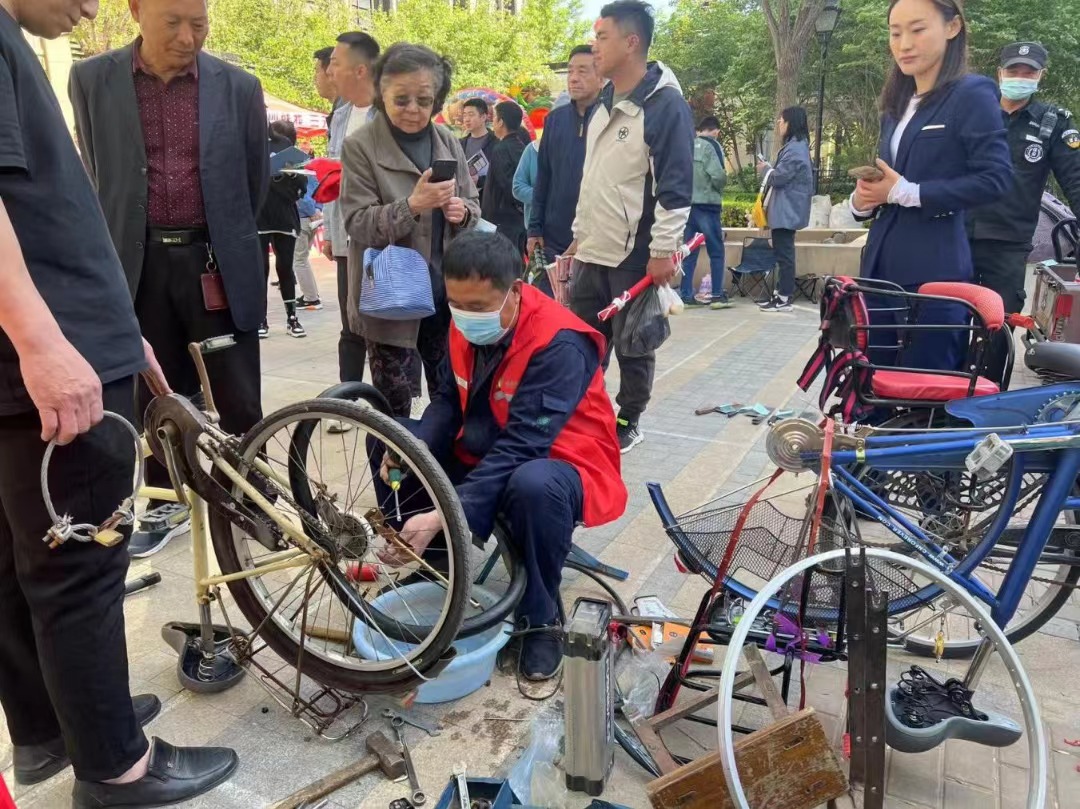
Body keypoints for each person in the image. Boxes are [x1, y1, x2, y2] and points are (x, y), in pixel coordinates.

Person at [0, 1, 238, 806]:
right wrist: (43, 342)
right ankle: (116, 769)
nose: (93, 7)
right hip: (49, 354)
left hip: (61, 338)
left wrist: (115, 326)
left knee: (23, 561)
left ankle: (52, 728)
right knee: (80, 568)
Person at [374, 231, 627, 679]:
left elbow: (525, 445)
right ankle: (436, 565)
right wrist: (415, 446)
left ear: (515, 290)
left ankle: (540, 618)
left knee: (533, 486)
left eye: (477, 306)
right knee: (391, 439)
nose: (465, 316)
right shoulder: (462, 321)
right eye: (456, 304)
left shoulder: (560, 342)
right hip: (488, 442)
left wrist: (446, 511)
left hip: (559, 459)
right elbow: (447, 399)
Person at [69, 0, 270, 557]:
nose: (188, 37)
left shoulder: (238, 86)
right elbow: (97, 170)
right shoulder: (91, 79)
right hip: (137, 262)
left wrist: (219, 236)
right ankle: (168, 500)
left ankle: (246, 491)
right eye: (173, 23)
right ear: (137, 11)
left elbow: (253, 184)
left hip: (213, 259)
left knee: (236, 391)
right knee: (155, 392)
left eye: (198, 24)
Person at [850, 0, 1011, 373]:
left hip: (934, 268)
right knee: (873, 381)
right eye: (895, 33)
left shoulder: (971, 93)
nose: (904, 43)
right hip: (879, 267)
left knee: (926, 381)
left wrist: (908, 192)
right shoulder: (896, 105)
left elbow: (995, 178)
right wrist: (863, 200)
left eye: (917, 29)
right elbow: (889, 181)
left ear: (952, 27)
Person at [567, 0, 694, 453]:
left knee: (634, 342)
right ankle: (584, 411)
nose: (595, 47)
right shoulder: (603, 103)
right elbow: (593, 179)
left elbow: (675, 187)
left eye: (603, 37)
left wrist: (662, 250)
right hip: (593, 248)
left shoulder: (664, 104)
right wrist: (578, 235)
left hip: (635, 253)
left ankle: (629, 419)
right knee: (582, 340)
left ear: (631, 42)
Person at [340, 43, 481, 417]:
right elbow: (357, 221)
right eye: (401, 100)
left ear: (437, 99)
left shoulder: (447, 140)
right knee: (393, 408)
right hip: (390, 298)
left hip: (444, 292)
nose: (414, 110)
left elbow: (473, 204)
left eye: (424, 100)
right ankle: (393, 458)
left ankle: (441, 456)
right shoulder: (360, 146)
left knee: (452, 397)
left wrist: (461, 211)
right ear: (381, 93)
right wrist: (412, 205)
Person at [967, 42, 1080, 317]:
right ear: (1000, 73)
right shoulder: (972, 114)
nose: (1020, 77)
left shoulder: (1054, 123)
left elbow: (1075, 181)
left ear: (1041, 75)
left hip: (1008, 243)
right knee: (946, 320)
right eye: (1013, 71)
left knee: (1000, 324)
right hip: (957, 235)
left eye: (1029, 73)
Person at [325, 31, 381, 390]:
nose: (329, 71)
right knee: (350, 324)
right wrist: (331, 233)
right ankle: (348, 399)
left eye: (335, 63)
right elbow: (333, 177)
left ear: (360, 70)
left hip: (380, 236)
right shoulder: (340, 114)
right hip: (346, 235)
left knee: (383, 325)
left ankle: (389, 402)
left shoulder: (389, 112)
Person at [526, 44, 604, 266]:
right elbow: (543, 177)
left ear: (601, 78)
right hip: (554, 238)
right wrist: (535, 229)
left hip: (598, 240)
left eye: (583, 71)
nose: (574, 78)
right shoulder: (555, 120)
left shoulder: (612, 119)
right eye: (570, 71)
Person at [756, 107, 814, 313]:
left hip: (787, 210)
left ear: (791, 123)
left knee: (785, 255)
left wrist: (766, 169)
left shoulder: (795, 149)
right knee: (783, 253)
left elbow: (779, 177)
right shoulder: (796, 146)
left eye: (781, 120)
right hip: (786, 209)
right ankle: (780, 294)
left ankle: (783, 298)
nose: (779, 124)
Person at [257, 120, 309, 338]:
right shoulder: (250, 143)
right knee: (260, 269)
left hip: (284, 215)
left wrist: (290, 174)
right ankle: (261, 318)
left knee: (285, 267)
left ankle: (292, 317)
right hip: (258, 216)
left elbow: (302, 182)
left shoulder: (285, 144)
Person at [681, 116, 732, 309]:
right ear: (716, 131)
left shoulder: (687, 144)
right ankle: (717, 295)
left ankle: (686, 295)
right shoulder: (712, 146)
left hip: (688, 206)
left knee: (689, 251)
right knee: (716, 251)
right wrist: (721, 185)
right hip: (708, 206)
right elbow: (718, 176)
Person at [482, 101, 529, 253]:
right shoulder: (522, 147)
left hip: (501, 220)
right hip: (519, 219)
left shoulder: (501, 149)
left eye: (494, 118)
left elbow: (506, 185)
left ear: (501, 122)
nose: (493, 122)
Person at [294, 167, 325, 311]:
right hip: (313, 220)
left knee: (299, 260)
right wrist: (318, 209)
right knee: (303, 259)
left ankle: (311, 298)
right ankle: (311, 293)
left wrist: (312, 212)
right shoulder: (311, 172)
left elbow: (302, 197)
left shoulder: (296, 174)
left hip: (303, 219)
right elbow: (320, 190)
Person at [460, 97, 496, 192]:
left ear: (483, 117)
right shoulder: (460, 143)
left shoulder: (495, 142)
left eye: (471, 115)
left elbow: (500, 174)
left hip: (487, 196)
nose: (467, 119)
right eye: (464, 115)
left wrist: (479, 181)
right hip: (465, 195)